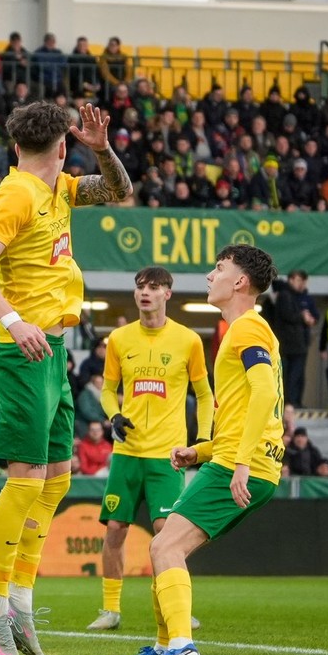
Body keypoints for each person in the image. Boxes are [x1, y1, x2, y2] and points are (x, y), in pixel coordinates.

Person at [0, 101, 132, 655]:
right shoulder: (16, 195)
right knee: (26, 478)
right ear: (62, 145)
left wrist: (103, 150)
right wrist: (13, 321)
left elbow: (117, 192)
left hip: (55, 350)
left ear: (18, 146)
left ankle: (21, 599)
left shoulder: (60, 187)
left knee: (58, 478)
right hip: (25, 350)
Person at [124, 244, 283, 655]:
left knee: (164, 545)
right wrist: (201, 450)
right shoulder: (244, 329)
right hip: (238, 460)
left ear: (240, 282)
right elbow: (248, 410)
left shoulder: (248, 328)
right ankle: (163, 644)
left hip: (240, 466)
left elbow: (266, 394)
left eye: (219, 268)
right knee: (167, 547)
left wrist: (241, 463)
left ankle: (178, 644)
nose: (210, 276)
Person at [87, 266, 212, 632]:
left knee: (166, 532)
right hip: (127, 452)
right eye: (140, 286)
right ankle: (110, 610)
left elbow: (204, 395)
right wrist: (113, 416)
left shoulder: (188, 340)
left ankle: (174, 606)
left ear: (167, 294)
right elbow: (109, 390)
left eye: (154, 287)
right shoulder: (120, 339)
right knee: (114, 529)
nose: (145, 292)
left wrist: (202, 440)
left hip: (166, 454)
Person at [268, 270, 316, 407]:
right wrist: (303, 316)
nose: (301, 284)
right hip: (291, 344)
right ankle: (291, 402)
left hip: (293, 344)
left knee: (294, 375)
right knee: (293, 375)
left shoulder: (289, 296)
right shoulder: (285, 296)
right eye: (298, 280)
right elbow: (288, 316)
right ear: (290, 280)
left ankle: (293, 401)